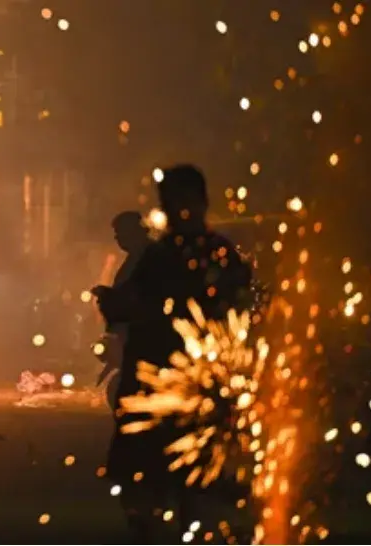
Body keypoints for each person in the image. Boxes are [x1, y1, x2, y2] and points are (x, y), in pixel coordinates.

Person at [92, 165, 252, 541]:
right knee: (181, 485)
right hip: (181, 382)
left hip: (182, 383)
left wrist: (113, 305)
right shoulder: (209, 253)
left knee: (169, 484)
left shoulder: (170, 256)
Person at [96, 211, 151, 397]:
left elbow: (137, 296)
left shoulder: (148, 258)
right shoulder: (136, 258)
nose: (117, 239)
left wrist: (109, 297)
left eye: (120, 233)